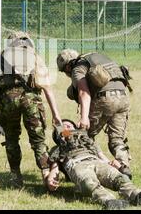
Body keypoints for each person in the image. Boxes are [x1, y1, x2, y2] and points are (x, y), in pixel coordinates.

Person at [0, 31, 62, 188]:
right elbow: (47, 87)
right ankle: (45, 175)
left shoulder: (0, 56)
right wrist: (56, 115)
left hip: (8, 101)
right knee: (38, 141)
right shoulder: (35, 56)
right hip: (32, 102)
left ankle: (16, 177)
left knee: (11, 140)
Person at [45, 120, 141, 210]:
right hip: (77, 165)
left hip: (97, 161)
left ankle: (138, 196)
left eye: (70, 125)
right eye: (64, 126)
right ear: (58, 135)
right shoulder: (58, 148)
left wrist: (114, 165)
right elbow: (54, 167)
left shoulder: (89, 143)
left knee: (118, 178)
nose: (67, 127)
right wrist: (51, 178)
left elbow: (102, 157)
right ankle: (109, 201)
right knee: (88, 183)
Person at [57, 49, 133, 179]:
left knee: (83, 137)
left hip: (104, 99)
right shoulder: (98, 57)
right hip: (123, 97)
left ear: (68, 66)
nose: (67, 75)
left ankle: (87, 169)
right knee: (117, 139)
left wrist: (84, 117)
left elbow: (83, 93)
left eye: (65, 72)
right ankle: (123, 168)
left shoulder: (77, 68)